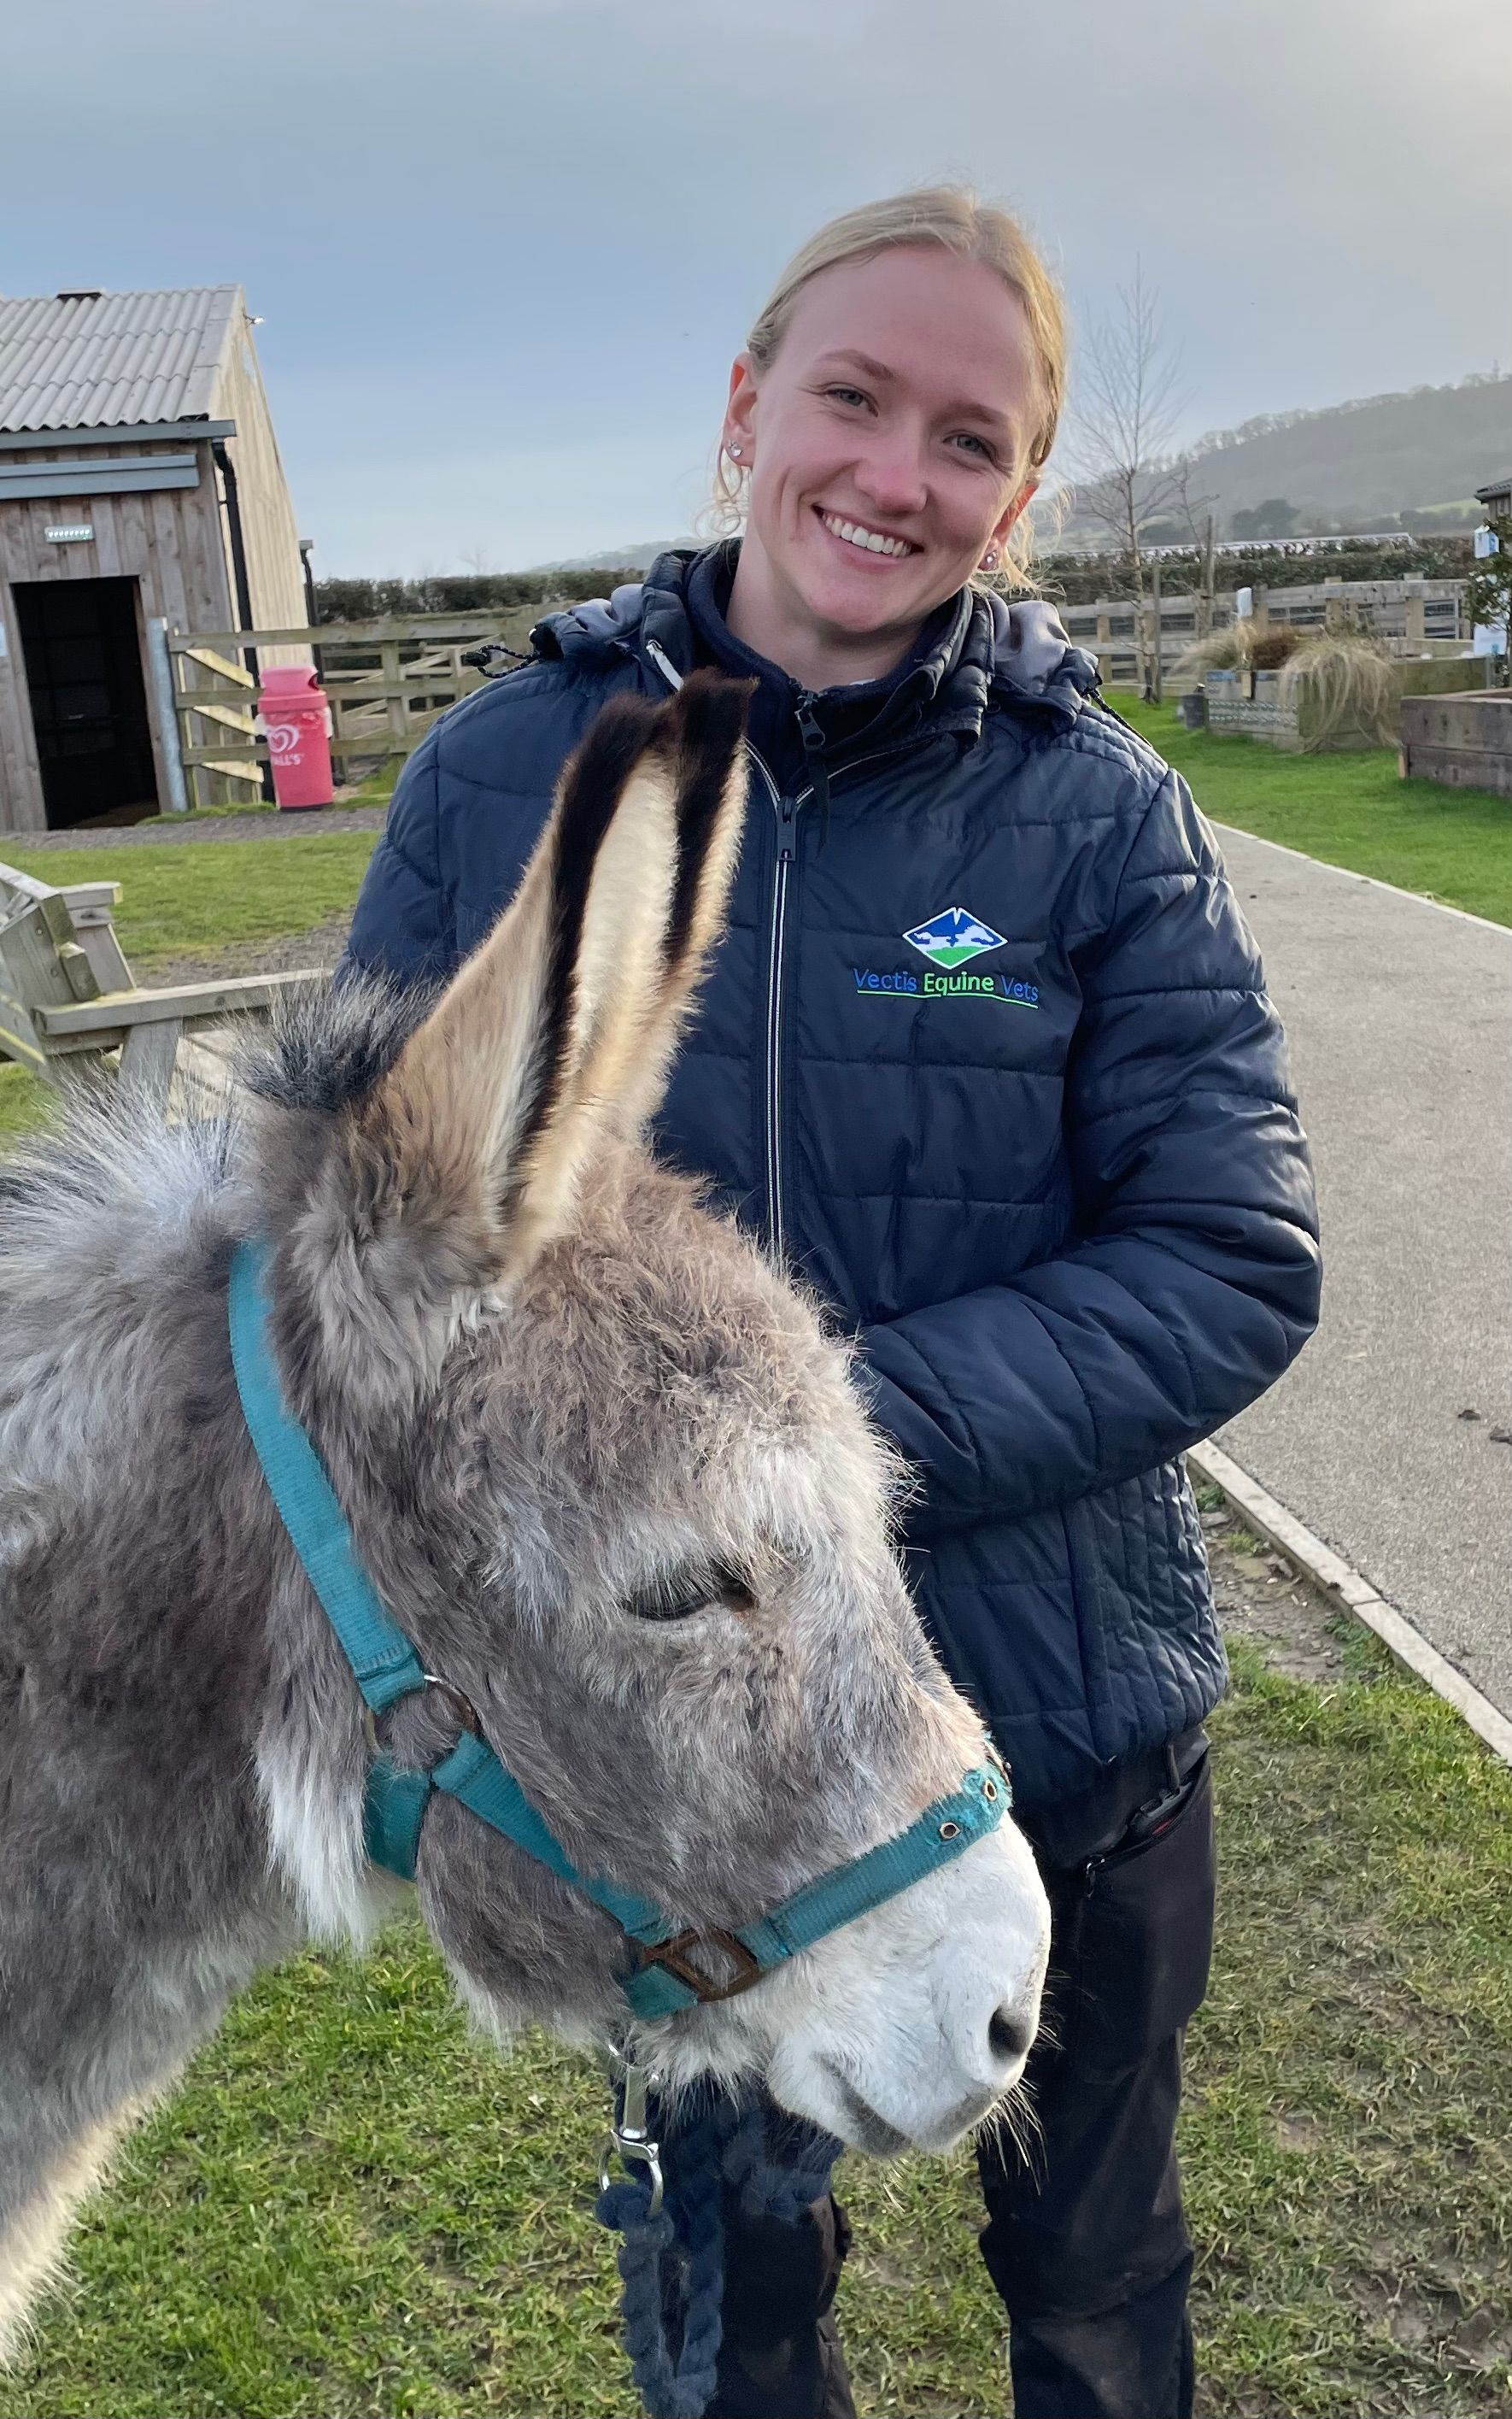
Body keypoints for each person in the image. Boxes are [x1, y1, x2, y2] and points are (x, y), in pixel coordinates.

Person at [339, 186, 1322, 2419]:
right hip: (687, 1779)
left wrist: (808, 1461)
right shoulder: (509, 777)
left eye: (967, 438)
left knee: (1089, 2277)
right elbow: (378, 1246)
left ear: (1022, 490)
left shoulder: (1095, 821)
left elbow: (1229, 1253)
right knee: (727, 2311)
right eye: (853, 399)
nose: (896, 473)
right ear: (743, 409)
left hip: (1062, 1727)